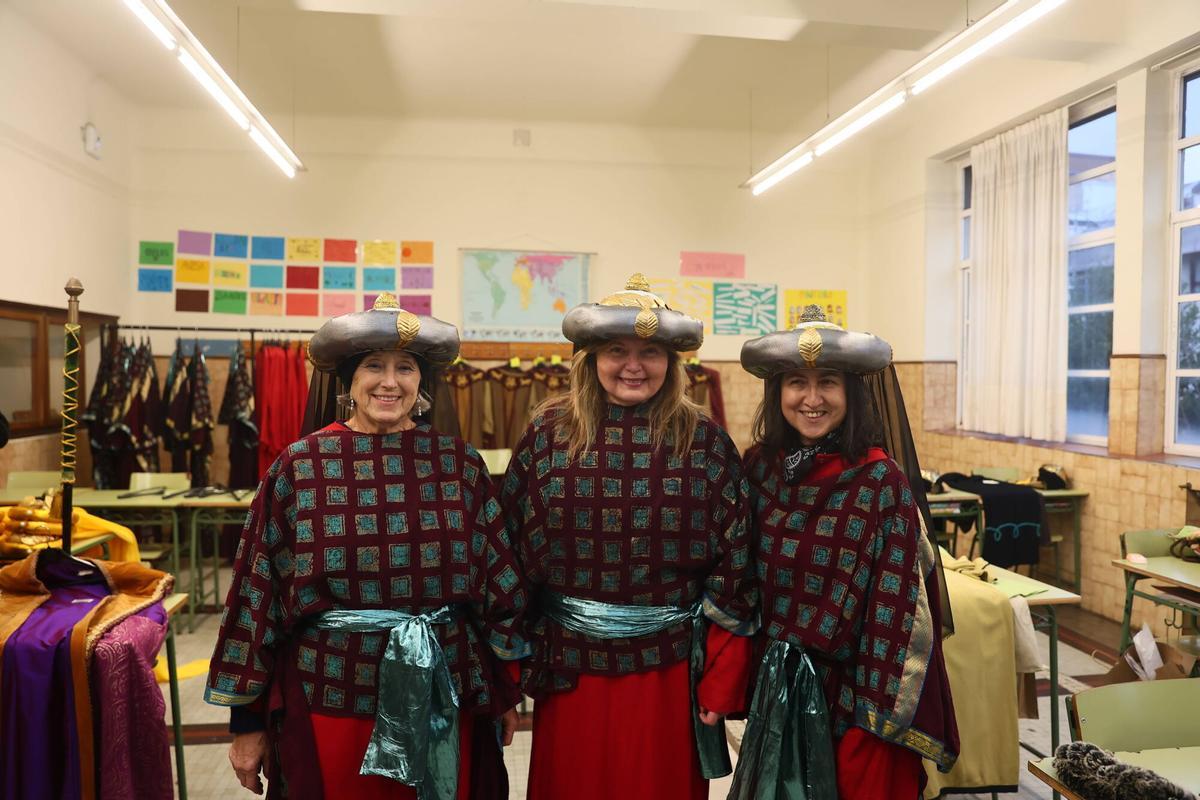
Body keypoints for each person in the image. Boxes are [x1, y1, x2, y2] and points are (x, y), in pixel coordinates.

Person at [205, 293, 529, 800]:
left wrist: (505, 689)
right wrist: (247, 721)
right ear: (349, 379)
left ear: (421, 381)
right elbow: (255, 593)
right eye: (374, 366)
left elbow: (498, 584)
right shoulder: (301, 467)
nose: (390, 381)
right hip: (332, 694)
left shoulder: (458, 465)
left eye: (405, 367)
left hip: (447, 689)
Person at [501, 274, 759, 800]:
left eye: (651, 351)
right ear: (590, 357)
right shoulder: (549, 435)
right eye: (617, 349)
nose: (633, 365)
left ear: (673, 361)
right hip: (568, 666)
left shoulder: (704, 442)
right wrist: (506, 668)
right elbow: (510, 553)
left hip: (668, 673)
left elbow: (735, 567)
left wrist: (722, 678)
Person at [730, 305, 959, 800]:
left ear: (852, 393)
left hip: (857, 702)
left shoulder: (880, 480)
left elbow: (898, 610)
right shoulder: (759, 470)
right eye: (796, 382)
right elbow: (738, 579)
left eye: (828, 382)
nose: (812, 399)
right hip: (778, 692)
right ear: (777, 392)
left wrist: (871, 718)